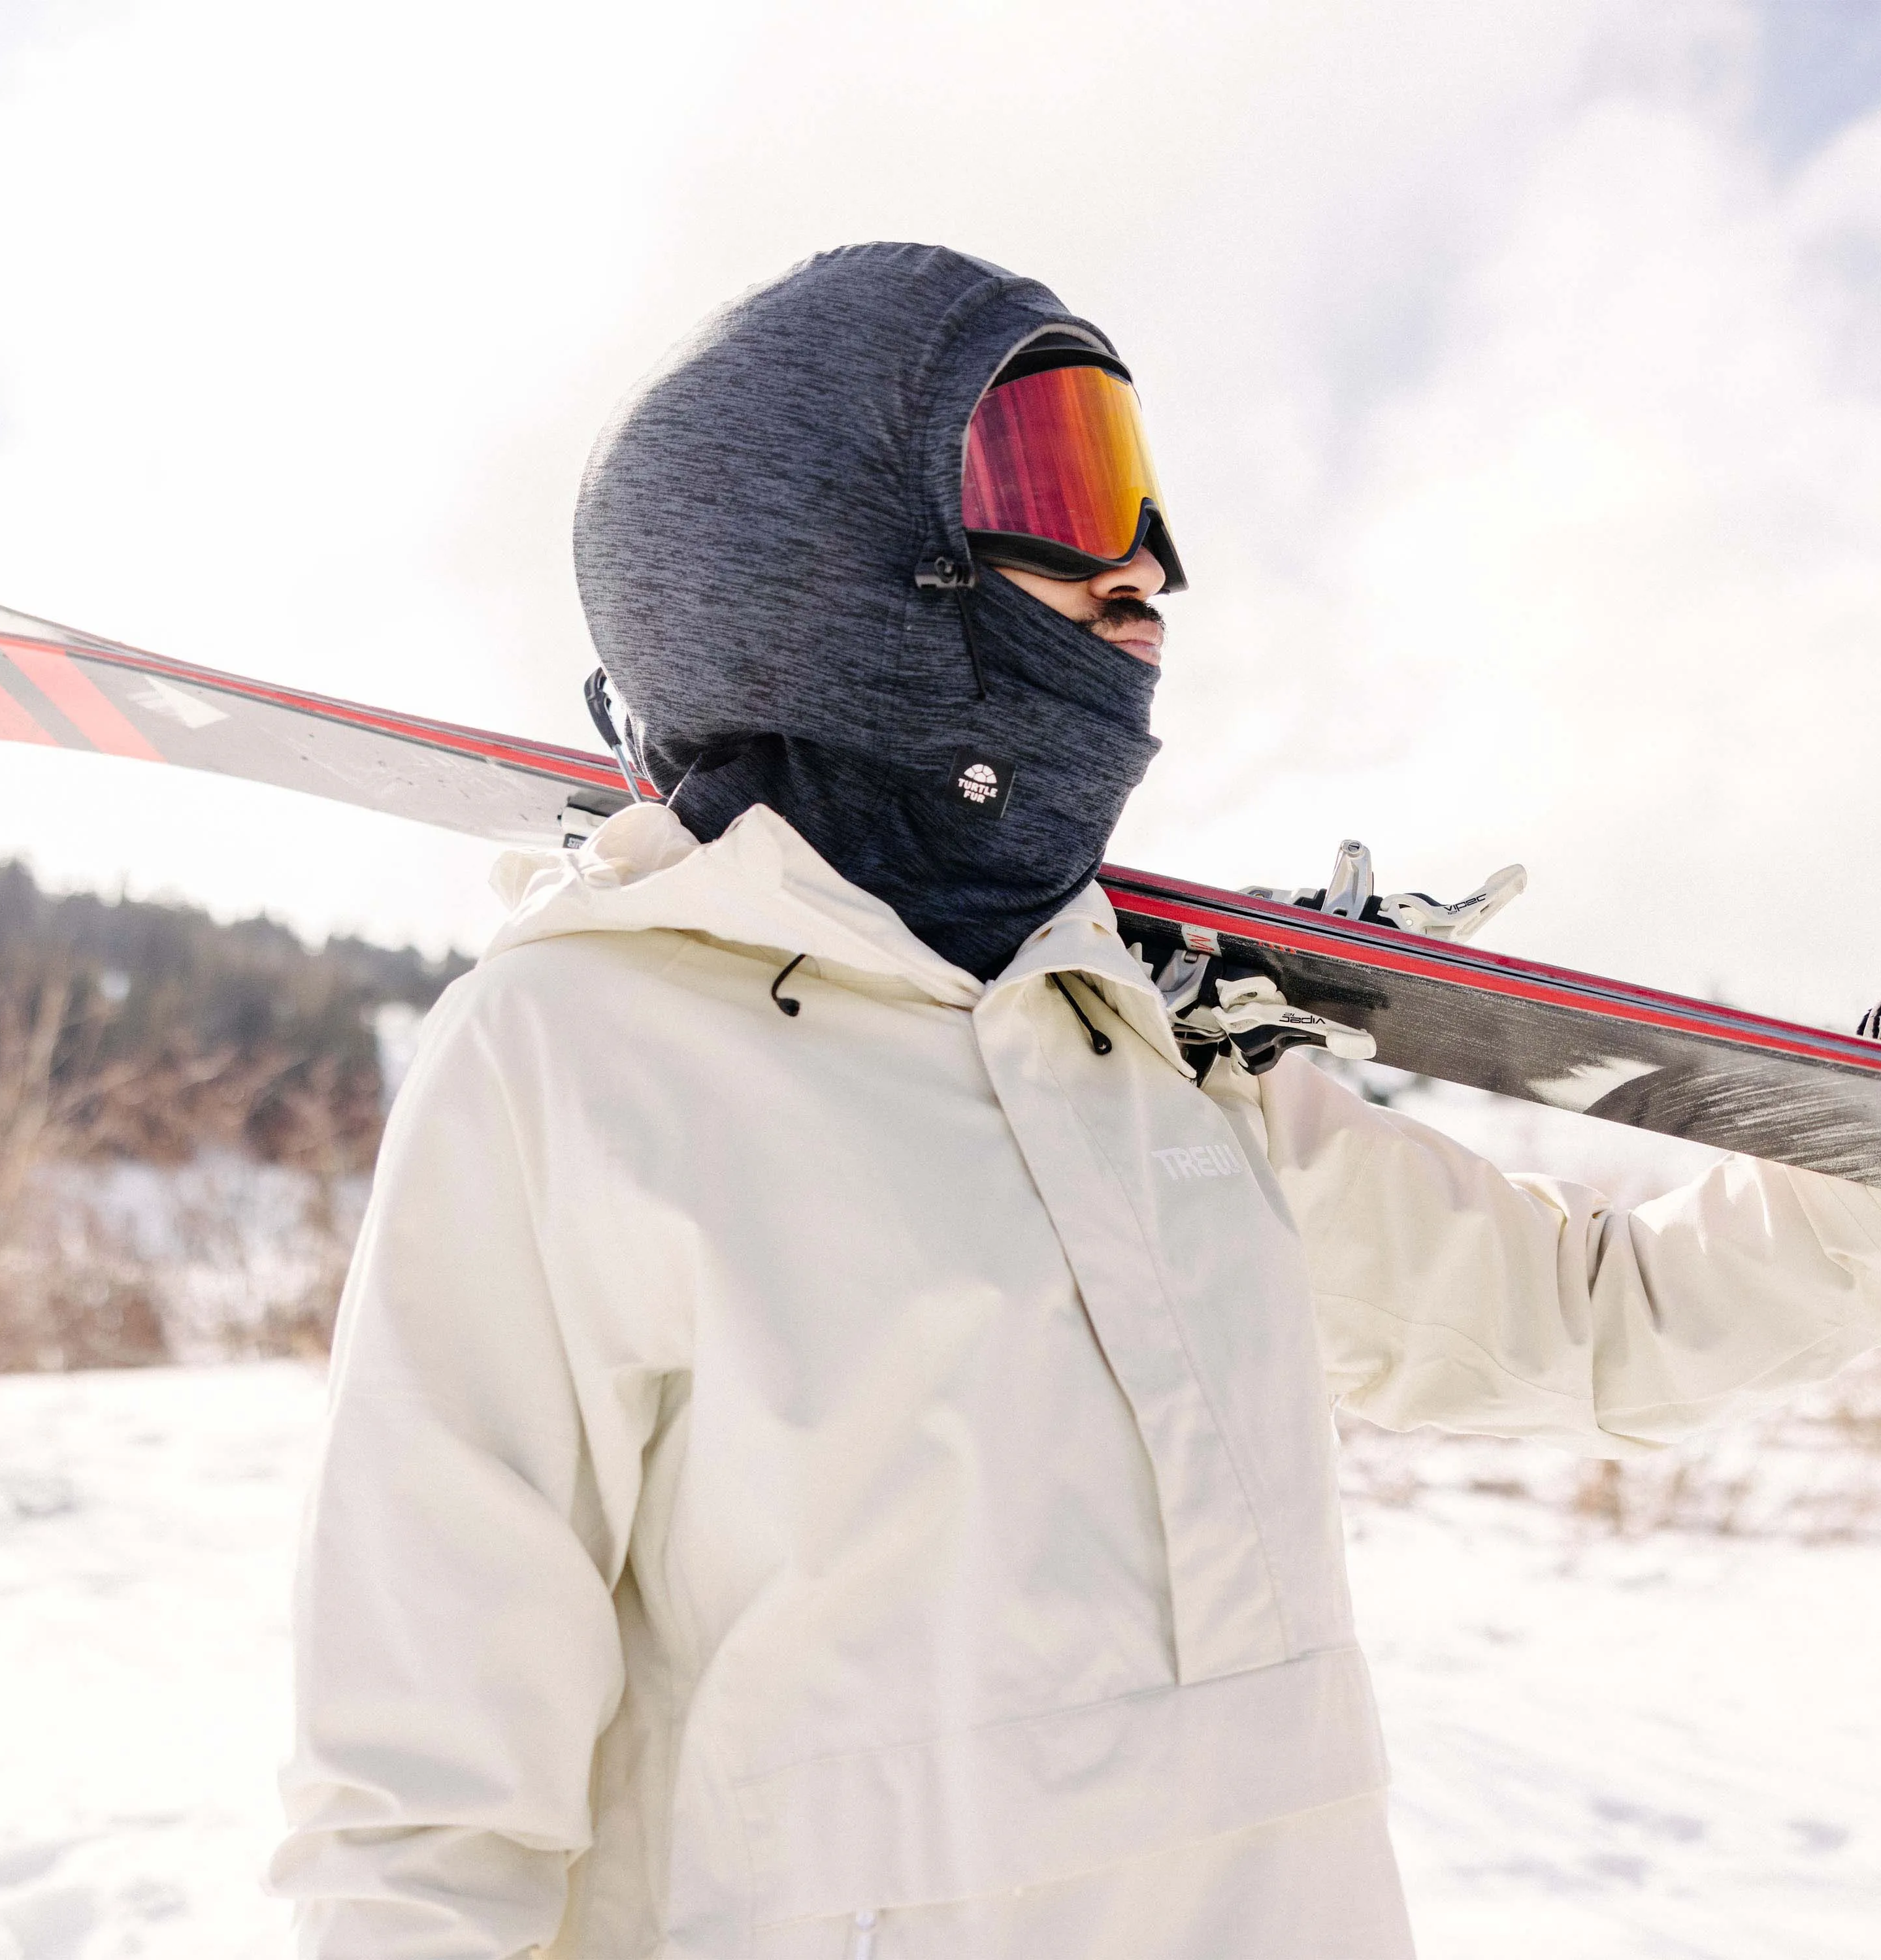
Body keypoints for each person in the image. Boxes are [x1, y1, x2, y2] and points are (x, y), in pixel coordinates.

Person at [271, 243, 1881, 1960]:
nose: (1148, 571)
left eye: (1141, 491)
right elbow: (418, 1800)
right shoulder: (573, 1057)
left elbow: (1594, 1325)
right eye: (1060, 474)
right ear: (837, 564)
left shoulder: (1172, 1056)